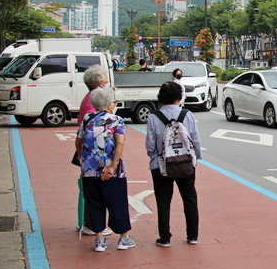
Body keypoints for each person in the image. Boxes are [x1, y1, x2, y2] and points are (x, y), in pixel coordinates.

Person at [74, 86, 135, 252]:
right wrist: (113, 166)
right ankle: (124, 238)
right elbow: (120, 142)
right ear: (109, 104)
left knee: (94, 203)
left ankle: (99, 239)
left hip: (89, 169)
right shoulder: (116, 119)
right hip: (112, 170)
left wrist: (82, 156)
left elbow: (78, 141)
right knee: (118, 203)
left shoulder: (87, 119)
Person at [145, 81, 201, 247]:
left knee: (163, 201)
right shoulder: (187, 115)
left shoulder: (153, 117)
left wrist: (154, 158)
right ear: (179, 97)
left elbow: (150, 144)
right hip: (185, 163)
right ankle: (192, 236)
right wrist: (196, 158)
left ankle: (165, 237)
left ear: (161, 97)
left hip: (161, 165)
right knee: (189, 198)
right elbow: (195, 138)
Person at [76, 65, 112, 236]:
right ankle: (93, 224)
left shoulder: (88, 96)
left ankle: (91, 223)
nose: (107, 82)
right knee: (96, 190)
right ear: (99, 82)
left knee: (91, 188)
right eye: (105, 79)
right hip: (95, 152)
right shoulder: (95, 99)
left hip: (89, 150)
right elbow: (93, 127)